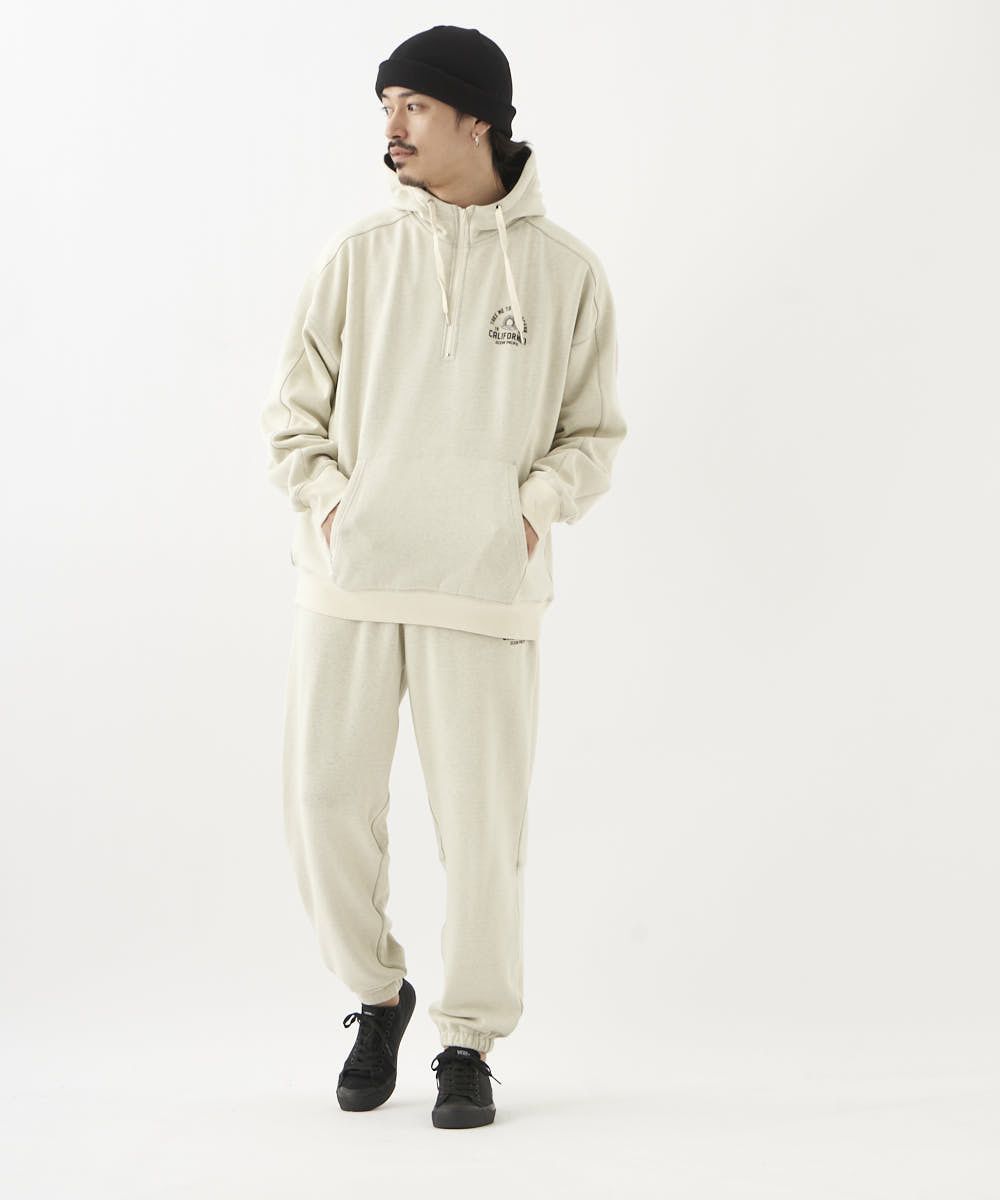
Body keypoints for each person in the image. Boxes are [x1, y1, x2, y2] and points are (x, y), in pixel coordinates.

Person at [260, 24, 627, 1129]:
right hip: (351, 584)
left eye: (414, 105)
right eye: (386, 105)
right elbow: (291, 418)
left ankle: (466, 1040)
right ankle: (379, 998)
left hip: (485, 590)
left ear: (480, 120)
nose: (392, 126)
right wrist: (336, 508)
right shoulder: (358, 254)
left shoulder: (564, 273)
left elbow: (592, 435)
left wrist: (530, 510)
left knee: (481, 833)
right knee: (324, 807)